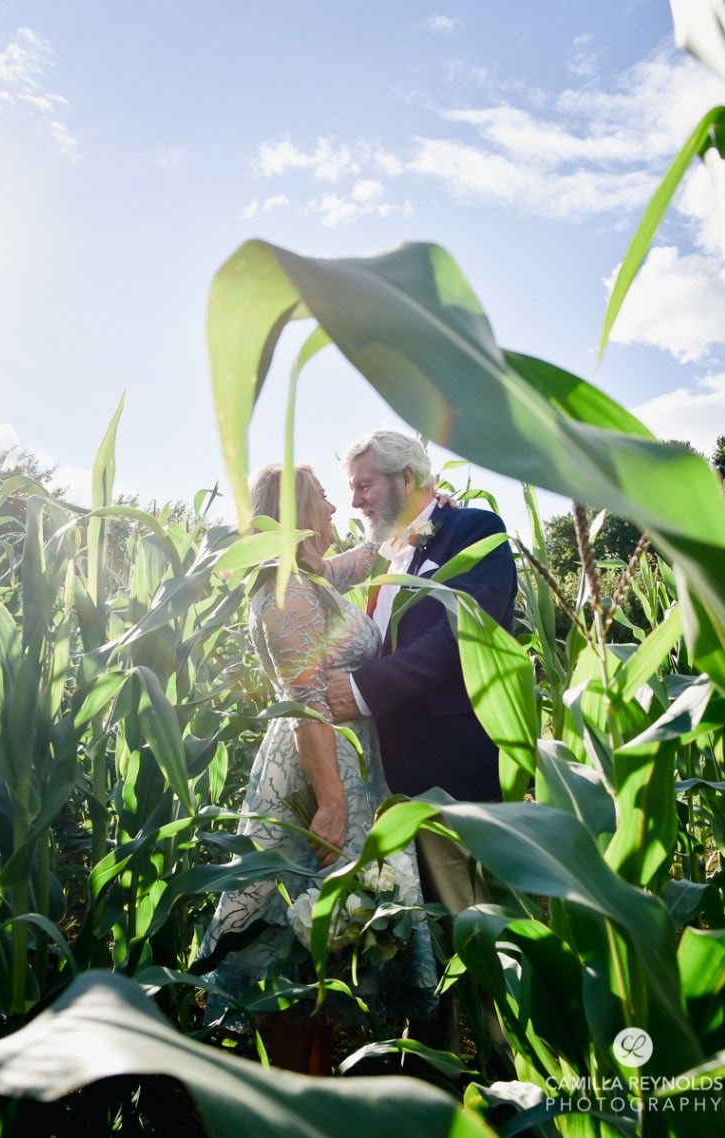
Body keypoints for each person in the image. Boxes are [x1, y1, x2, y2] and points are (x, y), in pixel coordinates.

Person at [195, 462, 436, 1074]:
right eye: (326, 500)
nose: (335, 510)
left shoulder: (313, 578)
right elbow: (304, 705)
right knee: (292, 943)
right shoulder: (286, 594)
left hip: (348, 767)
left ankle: (315, 1091)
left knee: (323, 951)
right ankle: (287, 1104)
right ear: (300, 513)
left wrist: (410, 517)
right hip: (316, 775)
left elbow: (365, 557)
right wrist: (330, 804)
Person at [324, 430, 518, 1058]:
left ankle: (509, 1062)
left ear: (407, 478)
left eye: (364, 484)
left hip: (450, 769)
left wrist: (364, 690)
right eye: (350, 486)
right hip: (389, 776)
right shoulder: (383, 554)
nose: (354, 498)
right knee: (420, 925)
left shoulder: (472, 530)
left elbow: (462, 633)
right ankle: (432, 1058)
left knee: (472, 918)